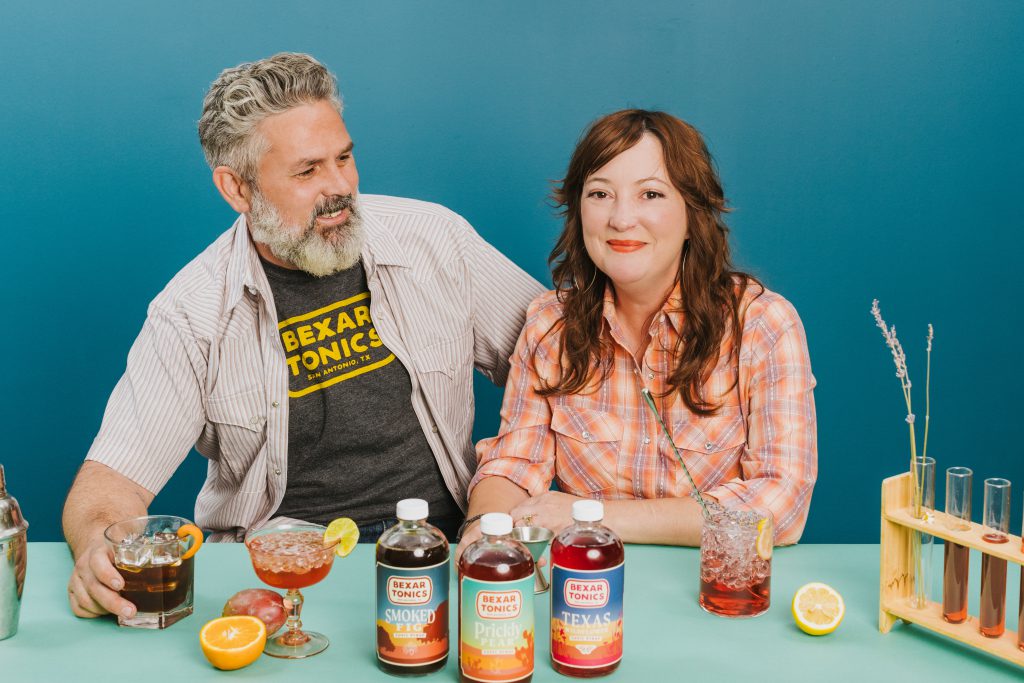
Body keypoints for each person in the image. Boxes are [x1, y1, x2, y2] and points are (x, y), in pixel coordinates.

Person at [63, 53, 544, 620]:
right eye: (307, 171)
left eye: (344, 158)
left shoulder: (436, 241)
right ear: (236, 189)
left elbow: (567, 364)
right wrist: (99, 545)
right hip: (276, 574)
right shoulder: (190, 313)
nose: (341, 187)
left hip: (439, 550)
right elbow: (109, 483)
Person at [459, 110, 816, 553]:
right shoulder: (549, 323)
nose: (622, 219)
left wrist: (586, 514)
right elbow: (514, 463)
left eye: (650, 194)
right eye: (600, 194)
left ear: (694, 213)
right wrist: (483, 528)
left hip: (709, 591)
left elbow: (782, 508)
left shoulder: (762, 324)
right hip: (584, 584)